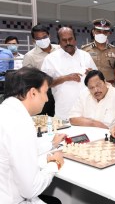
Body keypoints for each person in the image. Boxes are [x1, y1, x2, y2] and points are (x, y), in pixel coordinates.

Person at [0, 67, 63, 204]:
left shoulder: (6, 111)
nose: (47, 99)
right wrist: (54, 163)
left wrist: (51, 144)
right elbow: (31, 190)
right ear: (33, 93)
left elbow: (16, 150)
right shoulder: (20, 123)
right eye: (46, 92)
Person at [41, 27, 97, 120]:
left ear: (75, 39)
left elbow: (97, 78)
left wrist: (91, 74)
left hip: (88, 110)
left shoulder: (85, 56)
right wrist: (65, 78)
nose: (68, 43)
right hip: (64, 111)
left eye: (70, 39)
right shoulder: (51, 59)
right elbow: (45, 83)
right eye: (64, 40)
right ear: (59, 42)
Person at [23, 24, 61, 117]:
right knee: (46, 120)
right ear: (34, 40)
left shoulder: (60, 49)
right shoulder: (30, 56)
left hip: (61, 89)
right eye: (38, 39)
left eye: (44, 37)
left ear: (49, 36)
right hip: (44, 92)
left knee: (62, 118)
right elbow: (26, 79)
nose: (42, 40)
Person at [82, 18, 115, 85]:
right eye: (99, 31)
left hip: (109, 86)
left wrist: (110, 84)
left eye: (105, 32)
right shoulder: (85, 50)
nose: (102, 34)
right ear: (93, 32)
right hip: (91, 86)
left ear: (108, 33)